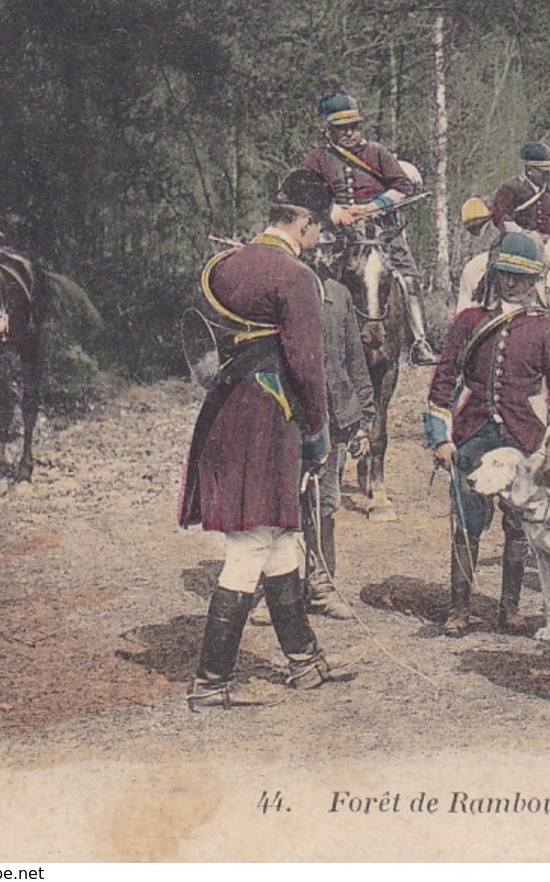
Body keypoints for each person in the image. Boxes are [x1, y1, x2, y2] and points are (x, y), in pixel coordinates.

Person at [177, 169, 355, 708]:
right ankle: (211, 682)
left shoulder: (221, 265)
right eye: (318, 228)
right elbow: (306, 364)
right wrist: (317, 433)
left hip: (226, 410)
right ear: (302, 223)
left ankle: (303, 659)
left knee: (279, 535)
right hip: (271, 417)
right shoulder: (297, 277)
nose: (319, 238)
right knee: (252, 543)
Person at [424, 231, 550, 636]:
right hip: (473, 434)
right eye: (506, 274)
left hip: (524, 439)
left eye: (521, 277)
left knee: (520, 526)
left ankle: (509, 609)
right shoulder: (469, 321)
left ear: (534, 281)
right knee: (467, 521)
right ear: (494, 274)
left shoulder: (547, 329)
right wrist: (441, 438)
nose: (513, 283)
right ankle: (459, 608)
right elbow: (442, 382)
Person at [300, 92, 434, 367]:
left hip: (380, 231)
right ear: (328, 130)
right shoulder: (318, 158)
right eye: (341, 128)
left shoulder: (377, 153)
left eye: (354, 126)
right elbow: (303, 191)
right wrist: (334, 212)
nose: (350, 133)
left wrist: (373, 207)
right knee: (309, 282)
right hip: (334, 235)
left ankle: (420, 342)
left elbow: (403, 187)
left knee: (408, 278)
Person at [302, 235, 376, 619]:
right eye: (319, 247)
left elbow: (355, 359)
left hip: (337, 418)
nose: (324, 255)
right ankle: (274, 592)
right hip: (293, 418)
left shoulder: (340, 295)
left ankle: (321, 586)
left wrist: (364, 418)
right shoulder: (284, 292)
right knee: (285, 507)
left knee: (326, 504)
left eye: (332, 249)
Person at [489, 140, 550, 238]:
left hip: (546, 246)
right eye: (543, 172)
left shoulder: (549, 193)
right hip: (515, 245)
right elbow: (502, 217)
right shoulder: (510, 189)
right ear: (530, 170)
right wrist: (527, 235)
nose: (547, 175)